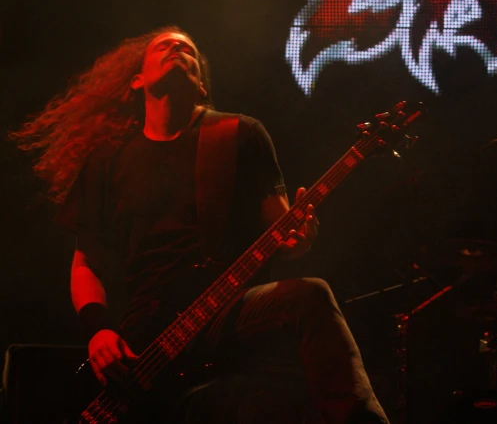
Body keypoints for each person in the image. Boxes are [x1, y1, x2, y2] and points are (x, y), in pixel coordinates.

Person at [12, 26, 389, 423]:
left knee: (310, 295)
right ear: (137, 80)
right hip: (145, 339)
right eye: (164, 46)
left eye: (188, 49)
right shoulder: (108, 161)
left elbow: (283, 231)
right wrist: (99, 331)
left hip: (225, 310)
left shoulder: (240, 134)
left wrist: (301, 239)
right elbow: (85, 264)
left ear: (201, 85)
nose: (178, 48)